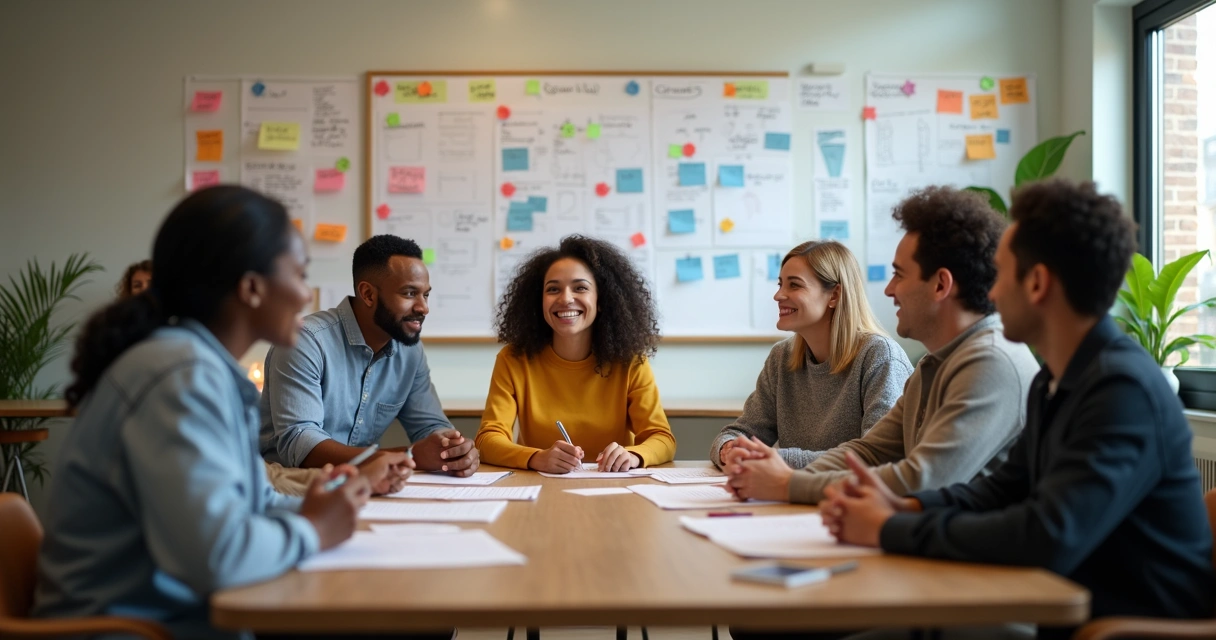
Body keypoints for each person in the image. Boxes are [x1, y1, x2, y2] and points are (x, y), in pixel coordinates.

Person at [823, 179, 1216, 639]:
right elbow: (1001, 491)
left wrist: (890, 529)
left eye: (999, 272)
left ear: (1037, 283)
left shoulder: (1121, 389)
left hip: (1126, 630)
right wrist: (905, 505)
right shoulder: (1057, 379)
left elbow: (1049, 535)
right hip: (1065, 614)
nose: (991, 290)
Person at [34, 186, 393, 639]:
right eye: (300, 275)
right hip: (132, 629)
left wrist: (315, 508)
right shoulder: (180, 377)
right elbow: (218, 558)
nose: (306, 295)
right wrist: (314, 530)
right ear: (251, 287)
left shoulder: (201, 369)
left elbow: (249, 506)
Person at [724, 186, 1038, 505]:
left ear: (941, 285)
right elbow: (870, 450)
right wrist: (781, 478)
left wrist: (788, 484)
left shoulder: (990, 362)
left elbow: (921, 479)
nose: (889, 290)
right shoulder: (936, 363)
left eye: (898, 275)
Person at [260, 234, 479, 489]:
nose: (423, 308)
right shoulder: (305, 342)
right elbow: (300, 444)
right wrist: (410, 455)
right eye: (410, 293)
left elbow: (431, 426)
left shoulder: (410, 351)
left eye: (425, 295)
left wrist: (453, 450)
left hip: (362, 488)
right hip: (286, 490)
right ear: (368, 294)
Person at [475, 235, 676, 472]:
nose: (566, 299)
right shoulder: (513, 359)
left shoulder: (630, 361)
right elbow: (488, 439)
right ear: (538, 301)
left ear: (601, 300)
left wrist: (633, 456)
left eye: (580, 287)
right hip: (539, 487)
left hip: (614, 488)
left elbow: (662, 439)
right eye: (553, 289)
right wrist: (537, 458)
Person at [710, 240, 912, 470]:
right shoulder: (781, 357)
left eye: (794, 285)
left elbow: (879, 457)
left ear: (834, 295)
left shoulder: (880, 357)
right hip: (794, 497)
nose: (778, 295)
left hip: (852, 501)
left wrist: (775, 459)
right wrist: (728, 449)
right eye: (780, 284)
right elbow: (740, 432)